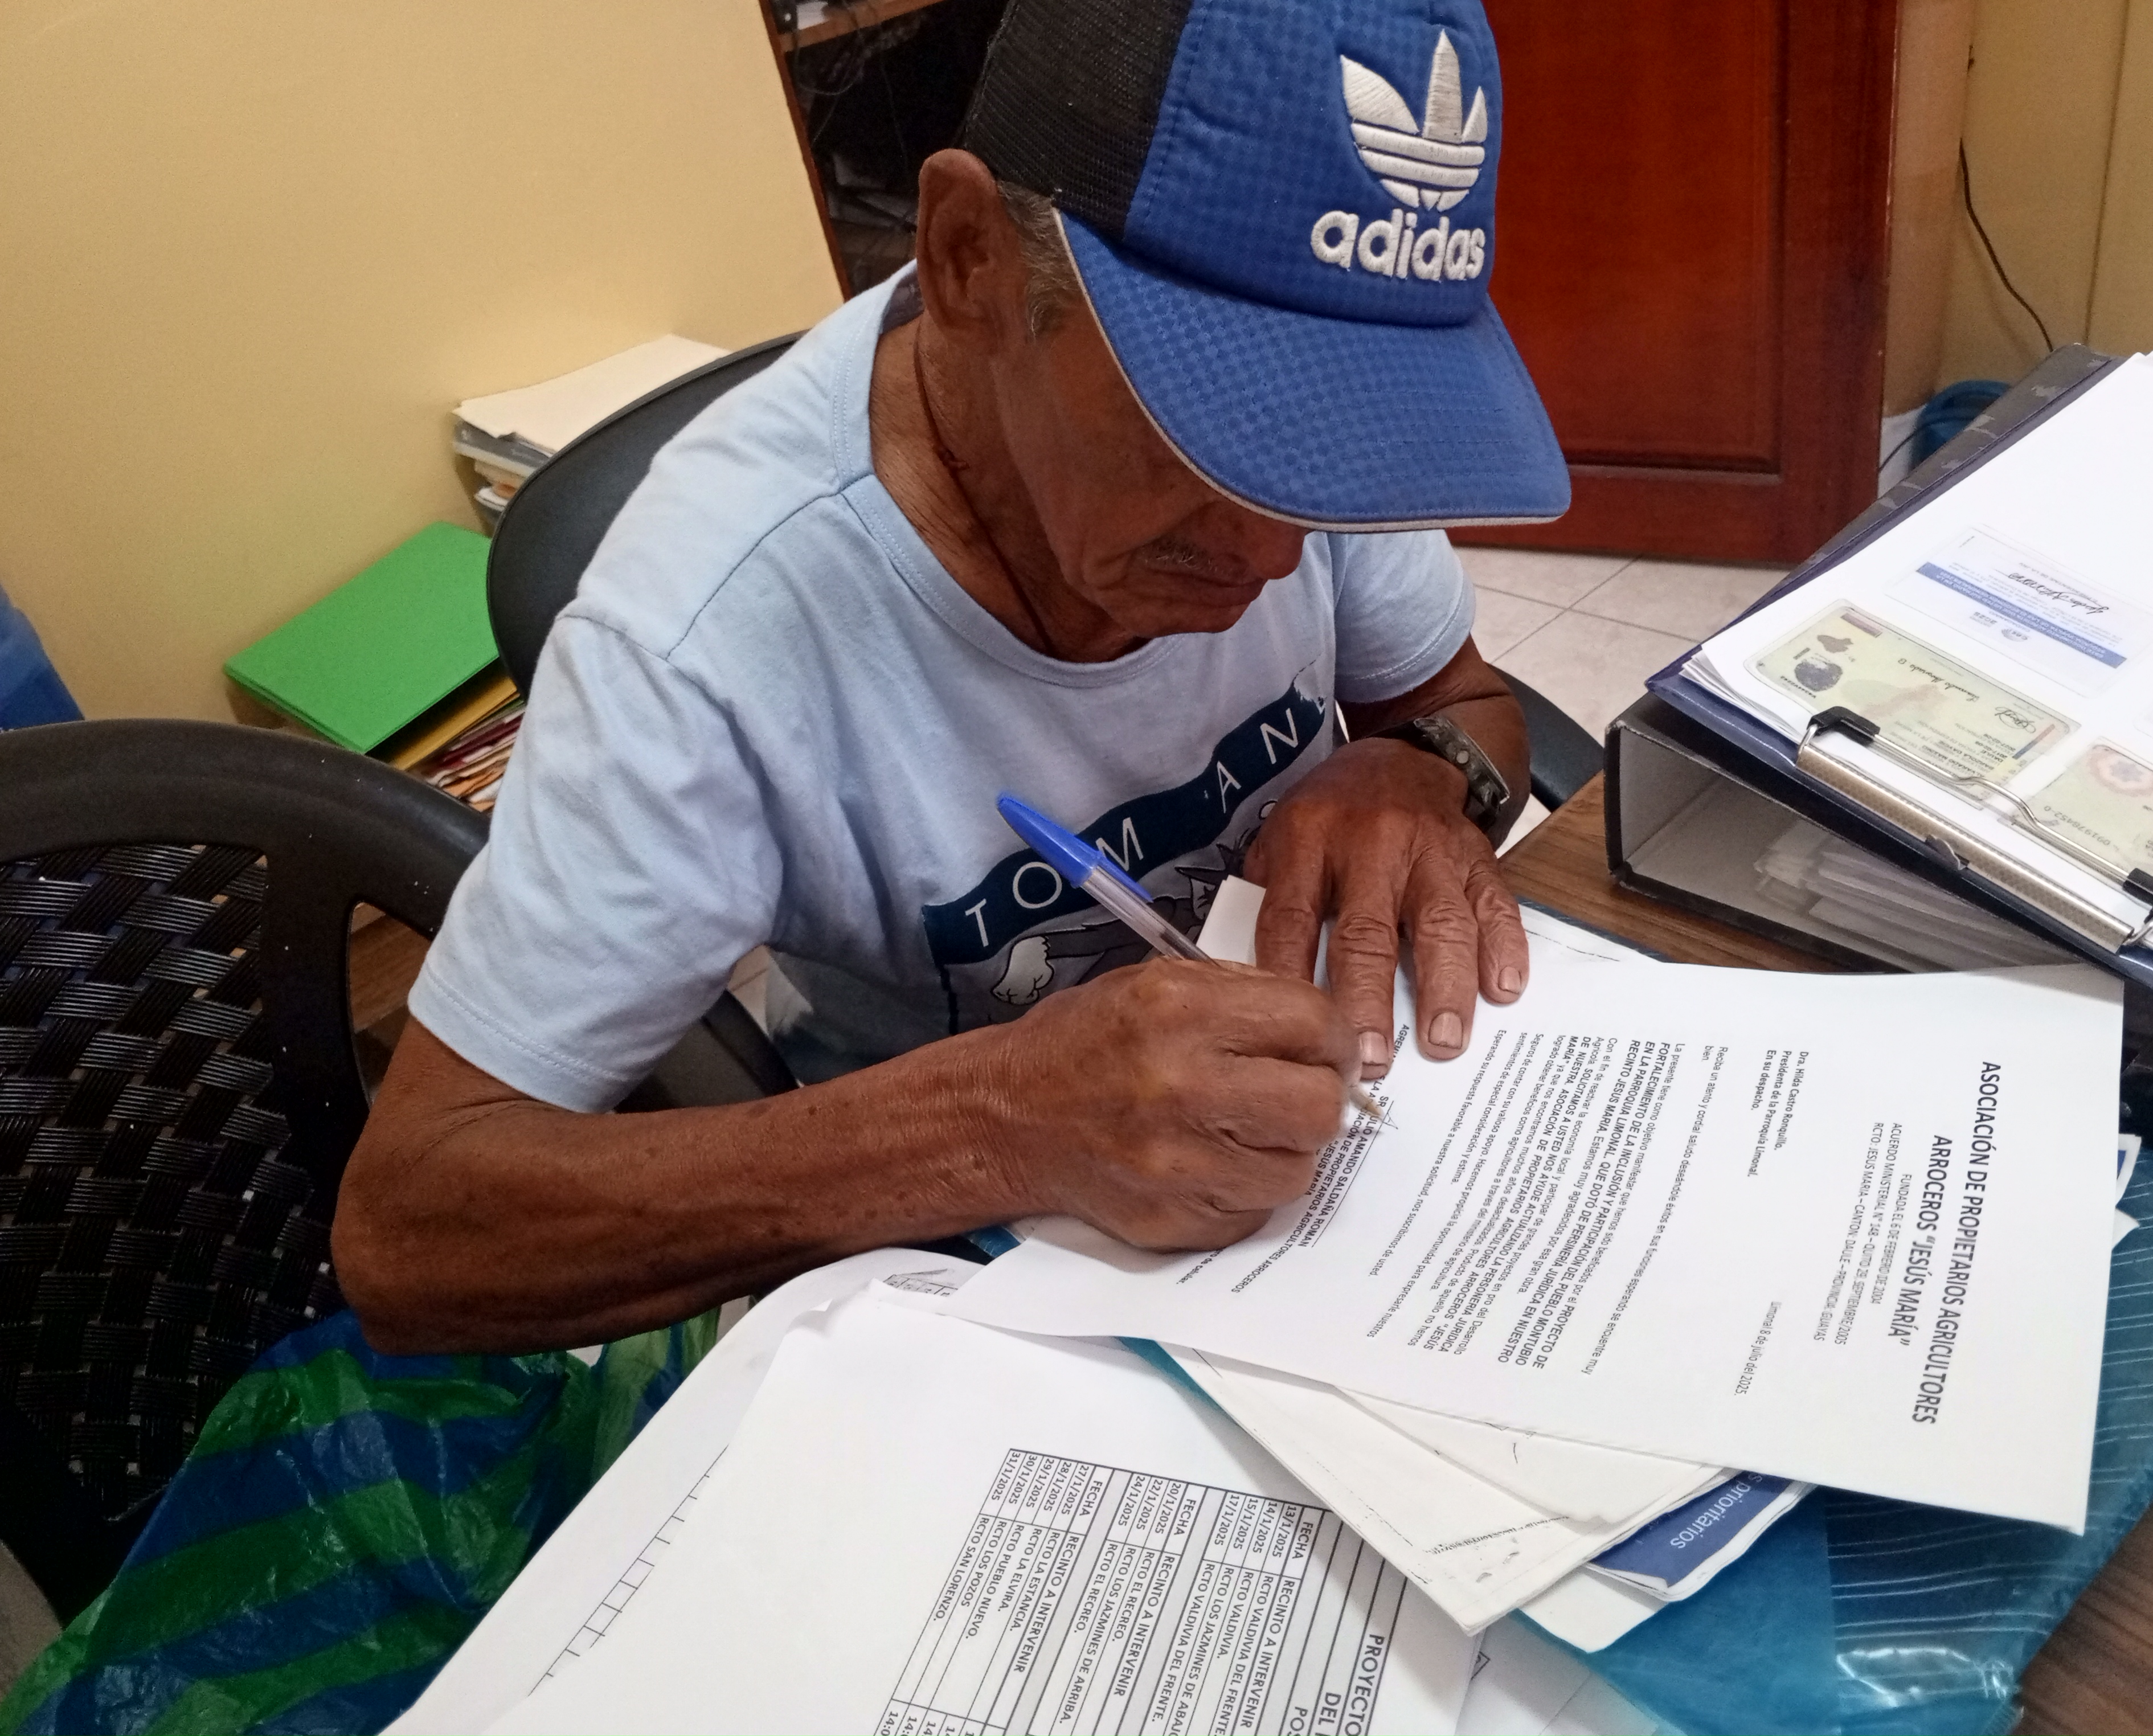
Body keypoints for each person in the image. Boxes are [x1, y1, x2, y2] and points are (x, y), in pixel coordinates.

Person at [335, 0, 1571, 1353]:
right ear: (970, 257)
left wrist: (1416, 770)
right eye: (1208, 434)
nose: (1279, 551)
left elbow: (1459, 703)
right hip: (967, 1285)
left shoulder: (1286, 459)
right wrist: (993, 1121)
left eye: (1337, 454)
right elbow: (411, 1231)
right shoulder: (707, 636)